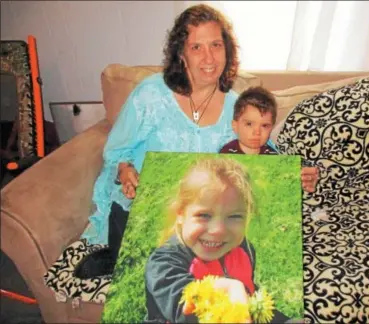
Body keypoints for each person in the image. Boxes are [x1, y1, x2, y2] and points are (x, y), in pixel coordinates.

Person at [74, 4, 319, 279]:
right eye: (196, 47)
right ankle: (119, 255)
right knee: (144, 252)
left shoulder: (237, 107)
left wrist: (292, 175)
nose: (209, 57)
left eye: (216, 45)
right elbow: (118, 149)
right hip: (150, 206)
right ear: (181, 54)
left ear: (227, 50)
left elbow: (260, 152)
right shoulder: (151, 94)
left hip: (204, 215)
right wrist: (125, 170)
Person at [145, 158, 290, 323]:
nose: (218, 230)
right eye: (204, 215)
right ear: (180, 214)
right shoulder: (163, 263)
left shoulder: (244, 250)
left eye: (234, 216)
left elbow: (248, 303)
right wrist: (217, 292)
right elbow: (182, 304)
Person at [220, 86, 319, 192]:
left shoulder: (273, 156)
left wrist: (303, 181)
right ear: (235, 126)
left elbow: (282, 187)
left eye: (265, 126)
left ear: (271, 127)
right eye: (249, 124)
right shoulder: (226, 153)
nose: (257, 132)